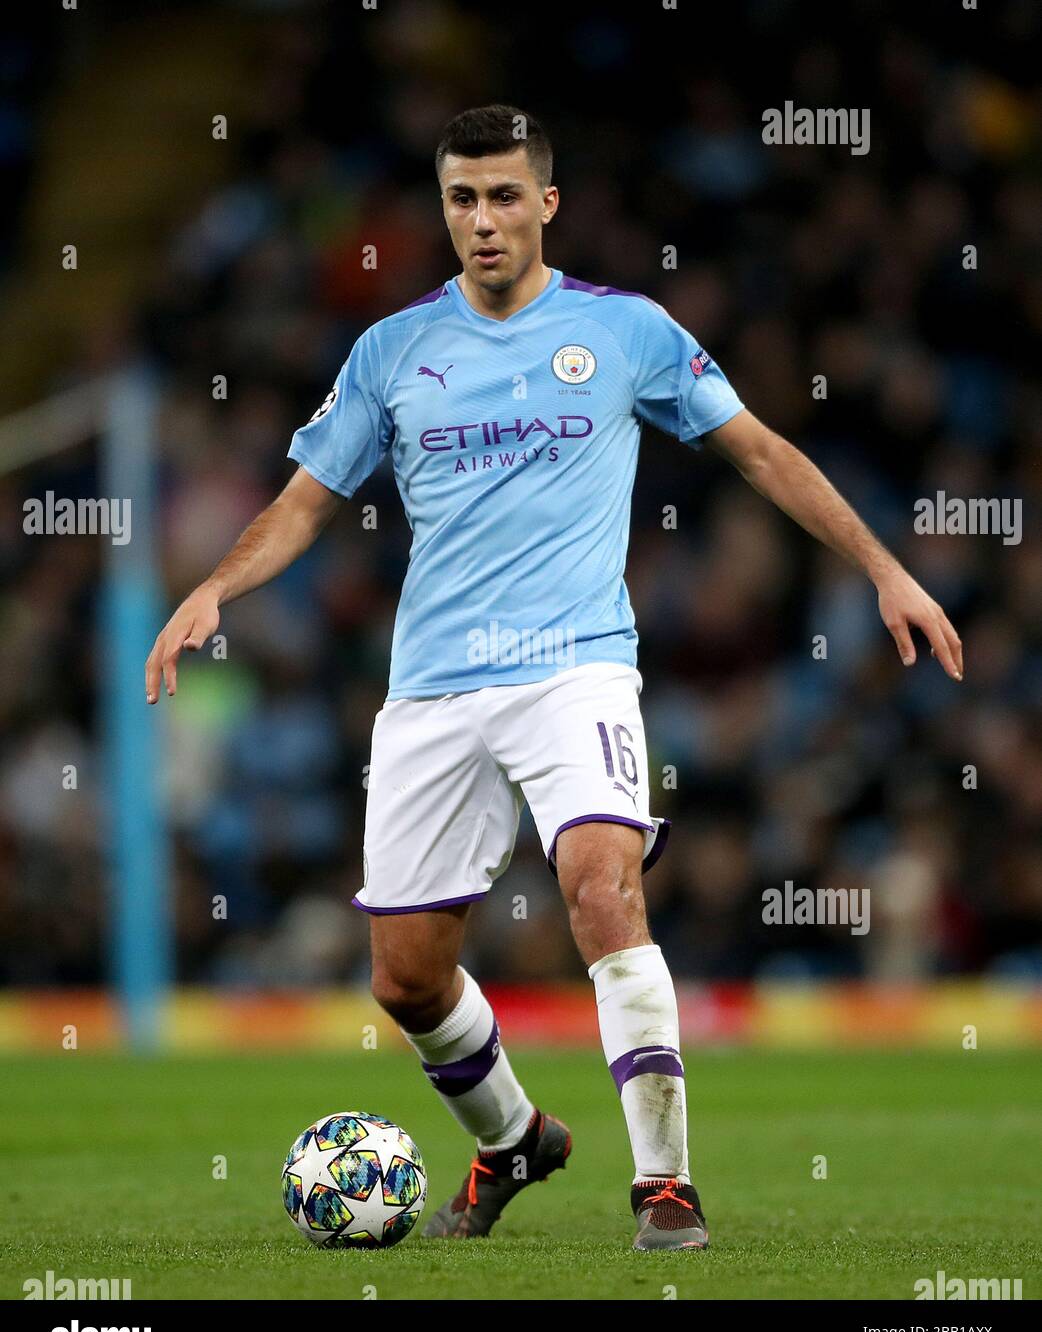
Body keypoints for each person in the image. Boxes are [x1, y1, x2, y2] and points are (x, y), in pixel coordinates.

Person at [146, 104, 964, 1251]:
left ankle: (664, 1186)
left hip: (576, 668)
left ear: (546, 203)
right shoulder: (390, 351)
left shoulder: (623, 331)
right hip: (433, 686)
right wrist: (215, 591)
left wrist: (884, 569)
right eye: (460, 199)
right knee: (405, 980)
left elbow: (761, 448)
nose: (481, 221)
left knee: (599, 883)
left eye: (501, 196)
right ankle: (515, 1138)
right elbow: (302, 502)